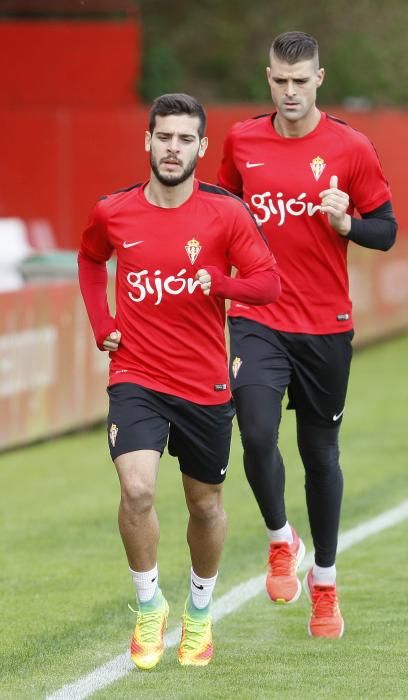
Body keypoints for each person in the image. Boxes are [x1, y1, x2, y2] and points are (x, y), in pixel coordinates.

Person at [78, 93, 280, 669]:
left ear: (201, 147)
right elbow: (91, 259)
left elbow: (266, 283)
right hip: (136, 373)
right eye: (163, 137)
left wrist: (222, 285)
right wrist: (103, 324)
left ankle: (197, 611)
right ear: (147, 141)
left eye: (184, 139)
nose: (173, 148)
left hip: (204, 383)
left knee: (205, 507)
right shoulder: (114, 210)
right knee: (137, 490)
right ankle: (148, 606)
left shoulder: (225, 213)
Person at [218, 31, 397, 638]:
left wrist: (348, 222)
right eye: (279, 80)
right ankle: (278, 538)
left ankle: (324, 582)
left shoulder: (351, 147)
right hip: (258, 319)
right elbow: (222, 213)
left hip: (325, 325)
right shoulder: (241, 140)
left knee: (320, 457)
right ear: (267, 79)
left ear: (320, 79)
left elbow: (387, 230)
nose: (290, 91)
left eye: (301, 81)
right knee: (257, 429)